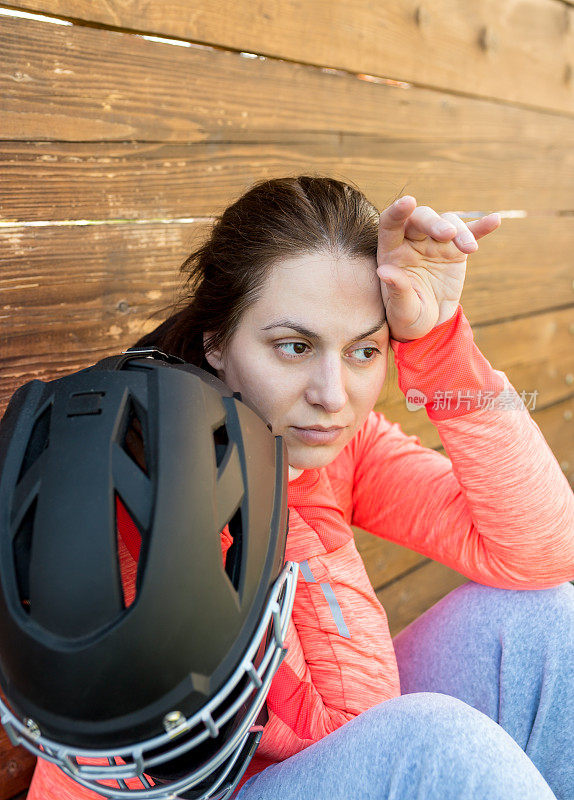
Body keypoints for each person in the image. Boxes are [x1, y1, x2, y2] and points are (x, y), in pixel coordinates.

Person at [28, 175, 574, 800]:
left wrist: (441, 343)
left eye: (364, 352)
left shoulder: (336, 448)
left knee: (545, 623)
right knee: (436, 744)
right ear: (216, 343)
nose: (333, 396)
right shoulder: (134, 481)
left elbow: (540, 552)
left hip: (353, 741)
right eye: (293, 346)